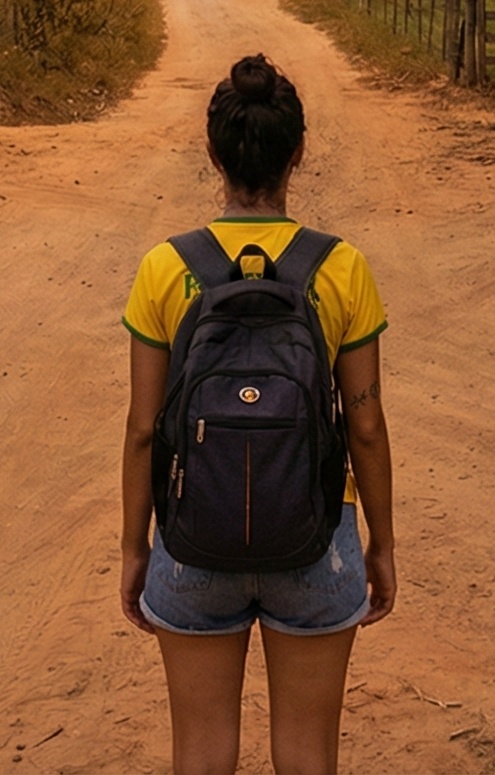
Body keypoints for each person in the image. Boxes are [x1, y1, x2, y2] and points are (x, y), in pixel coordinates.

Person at [118, 55, 397, 775]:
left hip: (192, 540)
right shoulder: (341, 267)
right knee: (307, 756)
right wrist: (381, 543)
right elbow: (364, 425)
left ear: (213, 154)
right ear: (298, 153)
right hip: (315, 537)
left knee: (201, 755)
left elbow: (145, 430)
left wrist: (134, 547)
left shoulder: (164, 268)